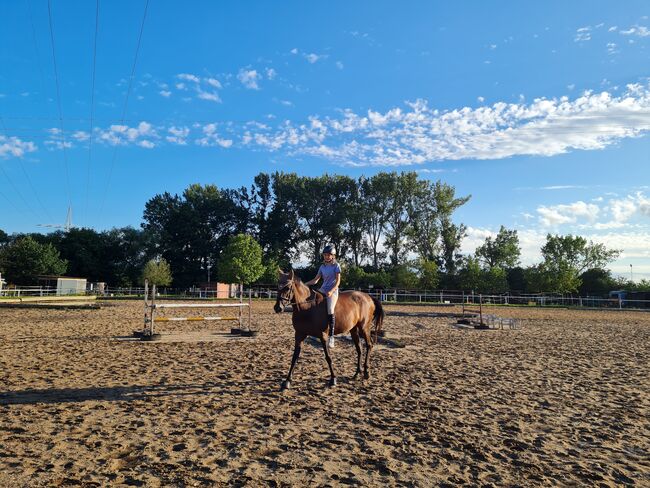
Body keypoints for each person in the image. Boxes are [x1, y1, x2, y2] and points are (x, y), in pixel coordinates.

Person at [305, 245, 341, 348]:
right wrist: (305, 284)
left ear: (333, 256)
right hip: (323, 289)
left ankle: (332, 337)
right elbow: (316, 280)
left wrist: (331, 291)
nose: (326, 257)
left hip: (332, 291)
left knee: (330, 309)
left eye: (328, 255)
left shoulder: (336, 266)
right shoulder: (322, 267)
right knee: (313, 303)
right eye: (325, 255)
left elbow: (338, 282)